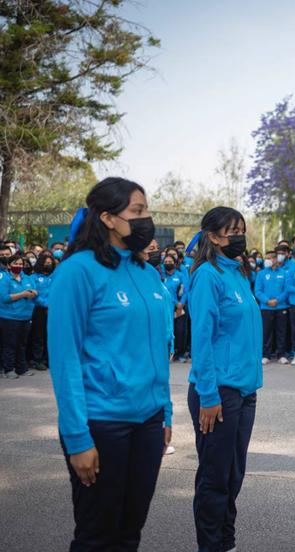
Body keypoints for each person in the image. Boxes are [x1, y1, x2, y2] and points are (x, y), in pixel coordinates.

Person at [48, 177, 172, 550]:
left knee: (130, 530)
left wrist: (165, 413)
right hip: (102, 423)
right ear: (107, 218)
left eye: (146, 210)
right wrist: (77, 438)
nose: (146, 219)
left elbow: (157, 350)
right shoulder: (77, 271)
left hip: (149, 422)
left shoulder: (147, 272)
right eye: (137, 211)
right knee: (97, 535)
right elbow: (65, 358)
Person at [187, 206, 263, 551]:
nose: (239, 237)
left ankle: (226, 542)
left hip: (245, 389)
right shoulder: (207, 275)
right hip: (217, 390)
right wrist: (208, 394)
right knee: (215, 477)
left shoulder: (239, 274)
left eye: (242, 230)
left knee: (233, 474)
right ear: (213, 236)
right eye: (233, 231)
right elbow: (201, 338)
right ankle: (211, 545)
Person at [0, 254, 38, 378]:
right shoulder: (4, 279)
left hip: (26, 317)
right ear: (8, 265)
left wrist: (33, 293)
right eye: (15, 263)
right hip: (9, 317)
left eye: (21, 264)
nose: (18, 266)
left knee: (22, 344)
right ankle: (8, 369)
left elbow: (35, 291)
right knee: (9, 344)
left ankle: (22, 368)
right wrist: (22, 294)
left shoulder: (27, 278)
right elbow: (4, 298)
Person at [255, 250, 289, 365]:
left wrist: (277, 300)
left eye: (269, 258)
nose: (267, 260)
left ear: (275, 259)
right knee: (266, 332)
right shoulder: (261, 274)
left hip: (281, 307)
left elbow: (286, 290)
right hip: (266, 307)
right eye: (266, 258)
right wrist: (267, 301)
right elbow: (258, 291)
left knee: (281, 332)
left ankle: (281, 354)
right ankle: (266, 355)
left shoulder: (284, 273)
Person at [29, 252, 55, 371]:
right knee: (39, 335)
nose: (48, 265)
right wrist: (46, 304)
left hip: (54, 310)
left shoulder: (55, 276)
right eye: (46, 263)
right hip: (39, 310)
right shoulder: (34, 277)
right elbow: (34, 295)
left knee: (50, 335)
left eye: (50, 263)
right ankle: (37, 360)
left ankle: (48, 359)